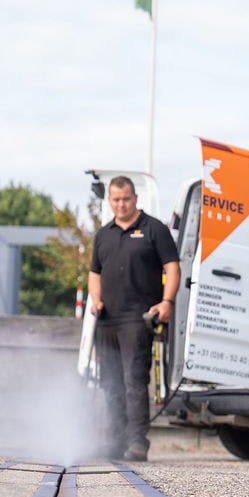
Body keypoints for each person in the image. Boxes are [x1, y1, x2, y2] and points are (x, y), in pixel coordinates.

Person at [89, 176, 180, 462]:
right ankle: (114, 443)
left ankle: (137, 442)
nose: (121, 205)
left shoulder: (154, 229)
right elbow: (94, 273)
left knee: (134, 381)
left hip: (138, 319)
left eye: (126, 199)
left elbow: (172, 267)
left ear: (135, 198)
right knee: (110, 383)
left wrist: (167, 301)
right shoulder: (103, 235)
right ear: (110, 201)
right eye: (116, 200)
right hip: (107, 320)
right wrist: (96, 300)